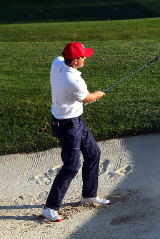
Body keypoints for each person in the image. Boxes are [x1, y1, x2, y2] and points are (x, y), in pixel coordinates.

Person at [40, 42, 110, 222]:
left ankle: (89, 195)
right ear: (75, 61)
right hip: (67, 126)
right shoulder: (75, 82)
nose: (85, 58)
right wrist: (97, 94)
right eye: (83, 56)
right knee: (71, 167)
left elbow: (62, 58)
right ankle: (50, 208)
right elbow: (88, 98)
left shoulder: (57, 63)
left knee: (93, 153)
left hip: (73, 120)